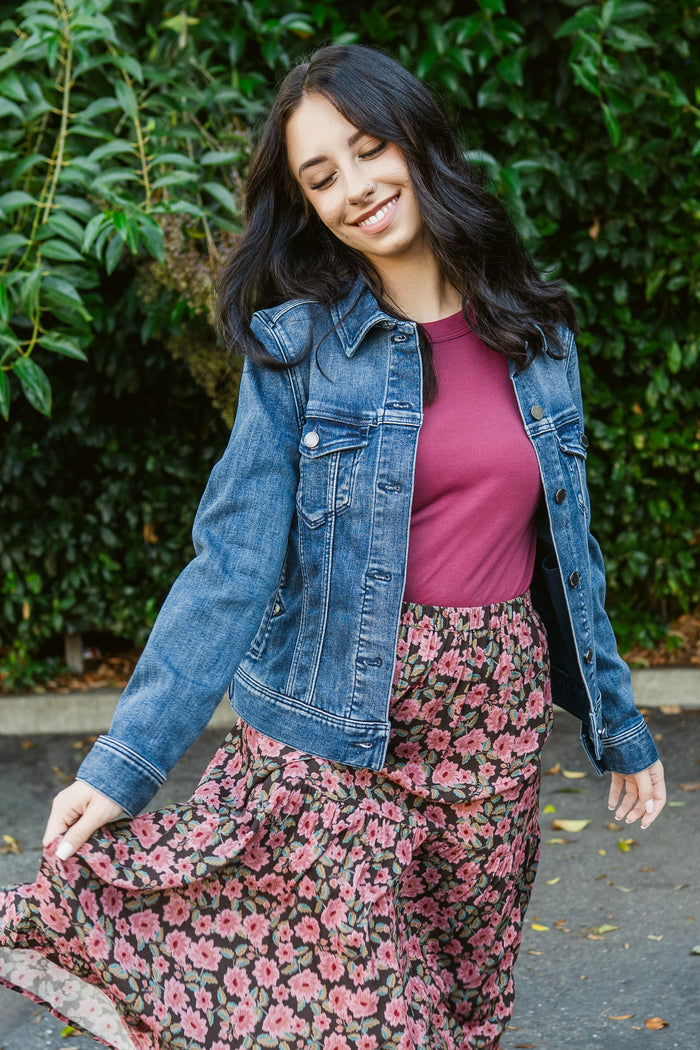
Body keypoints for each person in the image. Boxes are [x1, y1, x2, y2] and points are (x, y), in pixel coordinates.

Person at [0, 44, 665, 1050]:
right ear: (304, 205)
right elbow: (230, 562)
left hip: (490, 742)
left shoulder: (536, 332)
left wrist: (618, 722)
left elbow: (569, 553)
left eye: (366, 151)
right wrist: (123, 762)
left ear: (416, 142)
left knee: (463, 1011)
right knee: (386, 1028)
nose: (353, 188)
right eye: (321, 176)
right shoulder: (300, 349)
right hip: (335, 739)